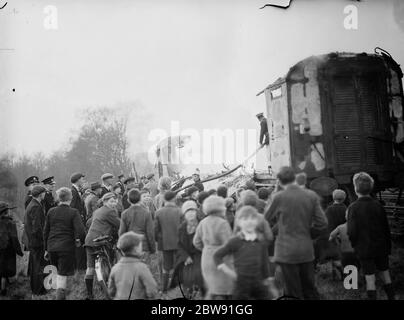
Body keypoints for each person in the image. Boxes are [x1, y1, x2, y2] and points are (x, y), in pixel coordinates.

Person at [264, 166, 328, 300]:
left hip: (286, 251)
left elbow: (265, 219)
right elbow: (322, 223)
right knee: (309, 288)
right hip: (306, 249)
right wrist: (307, 231)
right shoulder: (311, 195)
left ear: (280, 181)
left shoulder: (279, 197)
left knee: (292, 291)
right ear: (294, 178)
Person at [347, 172, 395, 300]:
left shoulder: (353, 208)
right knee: (386, 274)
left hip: (364, 248)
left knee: (370, 278)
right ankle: (392, 297)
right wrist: (388, 247)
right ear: (371, 188)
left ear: (355, 188)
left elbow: (351, 231)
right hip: (381, 247)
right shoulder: (378, 205)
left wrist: (354, 245)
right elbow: (386, 228)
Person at [214, 206, 272, 300]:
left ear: (257, 221)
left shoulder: (260, 241)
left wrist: (267, 278)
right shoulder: (235, 241)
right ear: (239, 222)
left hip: (258, 282)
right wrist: (229, 272)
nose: (249, 222)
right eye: (245, 219)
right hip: (241, 283)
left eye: (252, 218)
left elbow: (264, 261)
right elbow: (217, 256)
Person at [43, 188, 86, 300]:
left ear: (59, 198)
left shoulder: (51, 211)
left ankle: (57, 295)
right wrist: (81, 241)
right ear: (70, 198)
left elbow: (46, 232)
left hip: (52, 247)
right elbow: (81, 231)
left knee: (57, 273)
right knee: (62, 276)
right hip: (66, 248)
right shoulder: (73, 212)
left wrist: (46, 249)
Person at [193, 196, 234, 299]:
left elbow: (196, 242)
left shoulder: (203, 222)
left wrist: (206, 249)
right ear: (221, 207)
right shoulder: (222, 223)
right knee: (225, 289)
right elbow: (229, 244)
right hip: (221, 259)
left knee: (212, 288)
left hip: (206, 258)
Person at [84, 192, 121, 300]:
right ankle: (110, 282)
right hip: (101, 239)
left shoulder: (97, 211)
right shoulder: (109, 211)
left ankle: (89, 294)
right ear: (105, 201)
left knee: (90, 268)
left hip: (89, 240)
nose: (114, 203)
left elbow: (90, 222)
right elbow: (120, 224)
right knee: (109, 259)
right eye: (111, 201)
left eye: (115, 201)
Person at [108, 231, 158, 300]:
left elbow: (111, 292)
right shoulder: (142, 268)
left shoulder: (115, 268)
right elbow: (152, 290)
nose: (142, 247)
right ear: (136, 249)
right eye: (140, 245)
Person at [169, 202, 205, 298]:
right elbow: (178, 245)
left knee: (202, 280)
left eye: (192, 210)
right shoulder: (182, 228)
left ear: (196, 211)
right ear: (184, 214)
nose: (190, 213)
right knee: (188, 281)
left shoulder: (203, 224)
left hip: (202, 257)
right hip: (187, 260)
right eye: (187, 211)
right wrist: (185, 256)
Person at [154, 191, 182, 293]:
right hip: (179, 243)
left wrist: (159, 240)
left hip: (165, 243)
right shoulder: (180, 211)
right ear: (174, 199)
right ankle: (179, 286)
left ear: (164, 200)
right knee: (179, 265)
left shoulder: (159, 212)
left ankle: (164, 289)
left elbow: (156, 230)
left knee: (166, 267)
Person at [24, 185, 47, 296]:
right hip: (37, 242)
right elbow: (37, 227)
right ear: (41, 194)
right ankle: (38, 290)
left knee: (35, 266)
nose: (45, 194)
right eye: (44, 192)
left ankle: (36, 289)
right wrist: (43, 241)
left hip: (33, 241)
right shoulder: (36, 207)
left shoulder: (32, 204)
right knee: (38, 266)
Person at [119, 189, 155, 259]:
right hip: (144, 246)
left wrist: (123, 247)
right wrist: (153, 249)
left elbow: (121, 232)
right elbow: (150, 233)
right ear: (140, 199)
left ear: (128, 200)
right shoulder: (146, 213)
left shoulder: (125, 214)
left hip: (131, 246)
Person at [0, 201, 23, 296]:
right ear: (6, 212)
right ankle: (3, 290)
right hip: (7, 249)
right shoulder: (10, 223)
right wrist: (19, 251)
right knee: (4, 271)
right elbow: (14, 238)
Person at [70, 172, 87, 271]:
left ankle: (81, 267)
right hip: (76, 223)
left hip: (80, 220)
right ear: (77, 180)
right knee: (78, 245)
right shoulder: (73, 191)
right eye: (82, 179)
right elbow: (72, 208)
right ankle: (79, 268)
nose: (83, 181)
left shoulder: (77, 190)